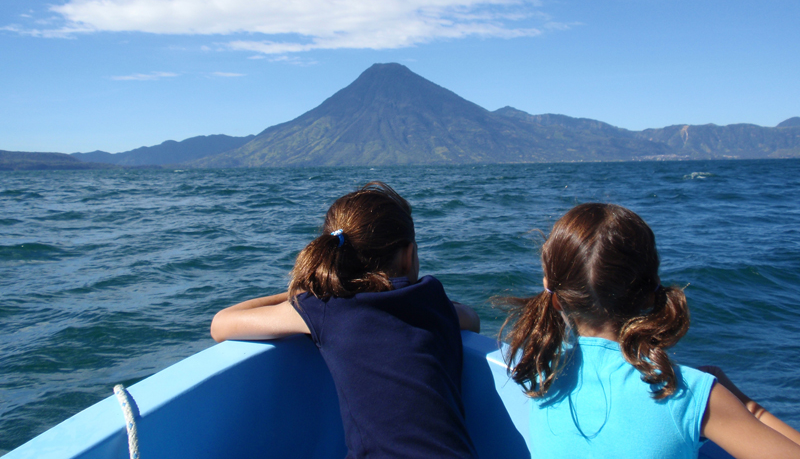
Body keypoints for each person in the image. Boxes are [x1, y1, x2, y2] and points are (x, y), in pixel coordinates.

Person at [500, 202, 800, 459]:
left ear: (553, 294)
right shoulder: (687, 394)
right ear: (649, 292)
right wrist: (745, 406)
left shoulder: (541, 372)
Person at [211, 181, 480, 459]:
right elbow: (472, 319)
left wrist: (306, 293)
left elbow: (221, 324)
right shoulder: (433, 299)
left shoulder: (327, 307)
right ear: (408, 255)